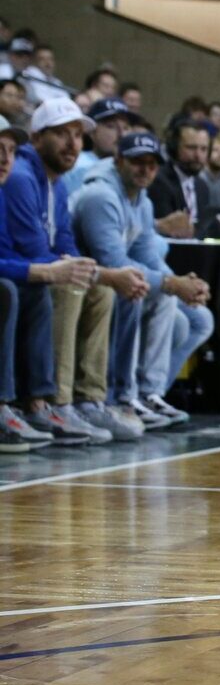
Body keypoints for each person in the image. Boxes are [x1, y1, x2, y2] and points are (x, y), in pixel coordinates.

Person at [5, 98, 148, 445]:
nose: (72, 144)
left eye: (77, 135)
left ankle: (90, 398)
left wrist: (96, 274)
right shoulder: (22, 177)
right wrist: (101, 273)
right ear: (37, 139)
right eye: (61, 134)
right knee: (70, 286)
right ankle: (58, 401)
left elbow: (66, 246)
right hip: (22, 275)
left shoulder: (56, 183)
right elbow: (40, 254)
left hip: (25, 271)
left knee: (96, 289)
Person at [70, 131, 212, 429]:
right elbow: (114, 264)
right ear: (119, 160)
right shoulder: (101, 196)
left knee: (196, 318)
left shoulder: (142, 200)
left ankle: (149, 394)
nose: (146, 169)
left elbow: (147, 254)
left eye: (152, 164)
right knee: (142, 291)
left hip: (115, 280)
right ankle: (123, 394)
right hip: (87, 279)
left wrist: (181, 282)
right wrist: (172, 284)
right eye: (138, 162)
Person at [0, 114, 79, 451]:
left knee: (32, 291)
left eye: (10, 150)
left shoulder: (3, 193)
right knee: (8, 291)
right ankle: (2, 405)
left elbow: (8, 253)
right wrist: (38, 270)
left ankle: (36, 403)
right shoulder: (19, 183)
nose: (5, 159)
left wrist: (39, 271)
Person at [148, 119, 213, 240]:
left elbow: (203, 230)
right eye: (191, 148)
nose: (198, 155)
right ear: (174, 148)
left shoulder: (202, 186)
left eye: (203, 149)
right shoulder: (159, 181)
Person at [64, 97, 140, 190]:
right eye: (111, 126)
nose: (122, 134)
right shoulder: (78, 167)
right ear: (92, 132)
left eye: (126, 128)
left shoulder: (131, 172)